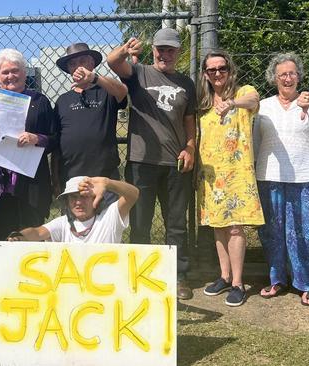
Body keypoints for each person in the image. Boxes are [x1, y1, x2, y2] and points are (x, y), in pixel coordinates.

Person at [0, 176, 139, 360]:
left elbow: (133, 194)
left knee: (34, 298)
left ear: (96, 199)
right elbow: (37, 231)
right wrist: (18, 236)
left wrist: (107, 183)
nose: (78, 201)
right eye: (72, 197)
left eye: (84, 196)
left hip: (99, 299)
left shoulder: (110, 219)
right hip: (68, 296)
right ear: (66, 201)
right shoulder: (64, 223)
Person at [107, 27, 197, 300]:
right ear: (153, 50)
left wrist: (191, 147)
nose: (165, 54)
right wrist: (126, 49)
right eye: (161, 49)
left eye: (171, 50)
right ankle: (140, 274)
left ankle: (178, 275)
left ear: (178, 53)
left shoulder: (187, 84)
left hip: (175, 162)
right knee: (140, 221)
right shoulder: (139, 73)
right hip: (141, 161)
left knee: (176, 222)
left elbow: (190, 122)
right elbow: (112, 62)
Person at [253, 53, 309, 306]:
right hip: (268, 175)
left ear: (299, 76)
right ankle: (277, 279)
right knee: (271, 232)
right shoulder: (262, 106)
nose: (288, 78)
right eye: (282, 74)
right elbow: (254, 141)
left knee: (304, 234)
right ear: (274, 78)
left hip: (303, 176)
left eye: (292, 73)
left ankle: (305, 284)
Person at [197, 50, 262, 307]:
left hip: (237, 173)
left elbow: (255, 100)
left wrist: (233, 104)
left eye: (221, 68)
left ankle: (238, 282)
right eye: (211, 70)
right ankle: (223, 276)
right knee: (219, 226)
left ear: (229, 69)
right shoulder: (203, 101)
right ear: (205, 74)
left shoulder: (243, 91)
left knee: (236, 227)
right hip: (212, 176)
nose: (217, 74)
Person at [0, 48, 58, 241]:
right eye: (5, 72)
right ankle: (8, 270)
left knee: (34, 228)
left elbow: (56, 138)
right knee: (6, 231)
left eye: (15, 70)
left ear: (24, 72)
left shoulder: (39, 101)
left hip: (32, 178)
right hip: (1, 181)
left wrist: (37, 139)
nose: (10, 76)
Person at [52, 42, 127, 187]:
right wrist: (55, 180)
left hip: (105, 175)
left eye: (82, 61)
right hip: (71, 177)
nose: (77, 67)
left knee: (108, 210)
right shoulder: (62, 100)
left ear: (92, 63)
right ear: (68, 69)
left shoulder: (106, 93)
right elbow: (56, 143)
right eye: (72, 63)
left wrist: (94, 78)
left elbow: (122, 91)